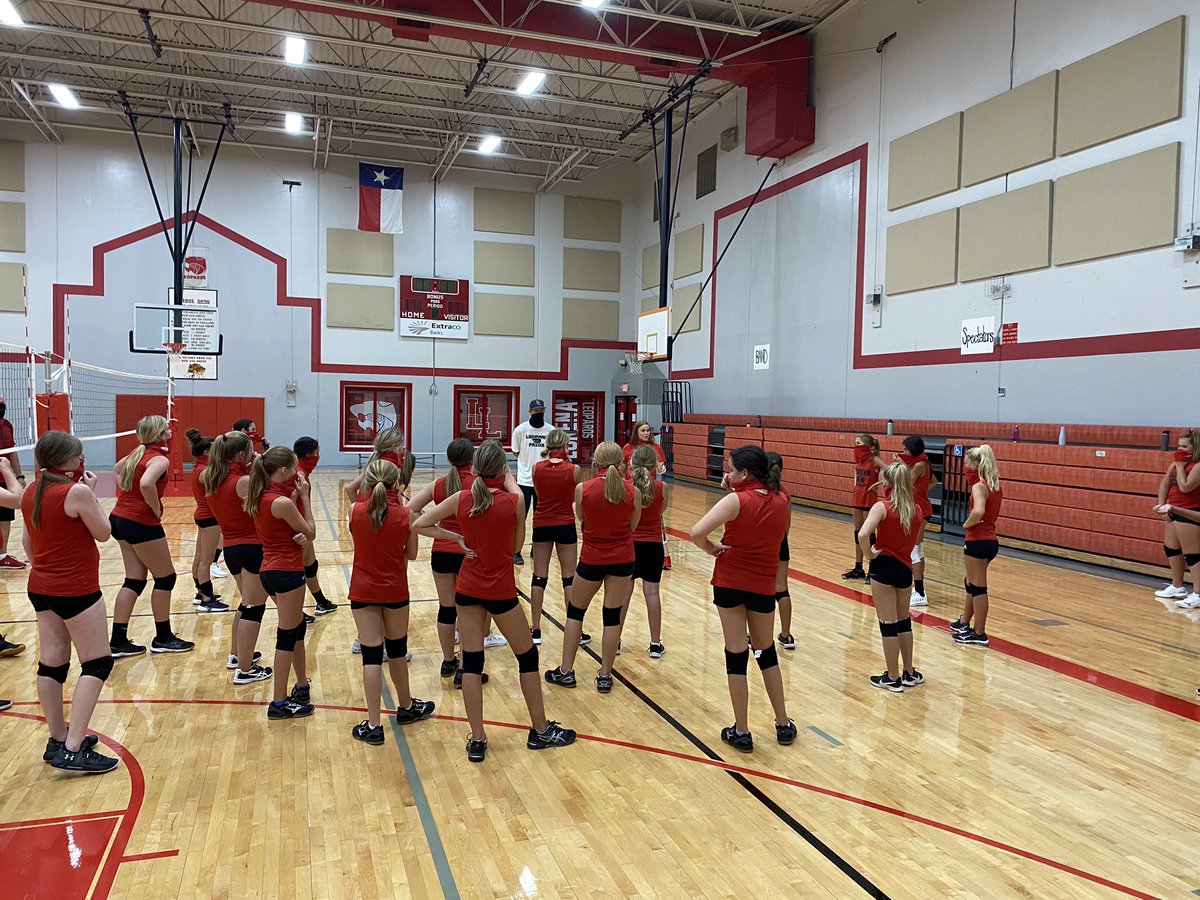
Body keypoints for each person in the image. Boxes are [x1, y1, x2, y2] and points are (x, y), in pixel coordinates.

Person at [414, 441, 576, 762]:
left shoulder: (461, 498)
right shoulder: (514, 502)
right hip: (500, 591)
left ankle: (477, 739)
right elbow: (516, 546)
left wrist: (455, 537)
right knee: (527, 657)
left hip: (468, 589)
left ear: (474, 469)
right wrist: (511, 483)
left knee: (472, 664)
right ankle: (541, 730)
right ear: (503, 469)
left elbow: (418, 523)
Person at [19, 432, 120, 772]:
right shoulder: (76, 492)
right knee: (97, 663)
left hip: (41, 586)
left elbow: (28, 544)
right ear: (69, 459)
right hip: (76, 589)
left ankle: (57, 738)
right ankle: (74, 748)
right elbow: (104, 533)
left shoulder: (32, 491)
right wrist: (91, 492)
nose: (82, 460)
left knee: (52, 664)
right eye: (78, 455)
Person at [690, 446, 796, 752]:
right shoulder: (782, 499)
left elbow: (697, 533)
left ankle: (742, 730)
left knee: (735, 654)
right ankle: (783, 723)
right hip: (763, 585)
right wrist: (736, 489)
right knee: (766, 652)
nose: (728, 473)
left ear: (745, 473)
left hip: (730, 581)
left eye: (732, 469)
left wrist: (711, 548)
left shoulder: (735, 501)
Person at [348, 456, 435, 744]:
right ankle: (406, 706)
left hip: (363, 590)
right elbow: (411, 554)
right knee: (397, 651)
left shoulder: (354, 510)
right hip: (395, 589)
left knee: (371, 656)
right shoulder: (407, 515)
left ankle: (374, 724)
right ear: (397, 484)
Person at [545, 442, 643, 693]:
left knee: (575, 613)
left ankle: (566, 671)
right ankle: (605, 675)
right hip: (623, 559)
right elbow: (632, 527)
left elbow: (582, 518)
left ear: (596, 462)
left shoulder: (583, 489)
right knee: (612, 616)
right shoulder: (633, 492)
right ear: (621, 463)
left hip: (592, 559)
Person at [108, 415, 193, 657]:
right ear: (158, 434)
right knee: (165, 578)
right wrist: (155, 507)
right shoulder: (159, 459)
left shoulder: (137, 453)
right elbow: (146, 483)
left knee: (134, 580)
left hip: (119, 518)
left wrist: (128, 494)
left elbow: (116, 470)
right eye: (166, 428)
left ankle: (118, 640)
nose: (170, 430)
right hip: (140, 521)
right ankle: (163, 637)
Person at [246, 447, 317, 719]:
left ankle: (301, 685)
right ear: (284, 470)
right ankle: (278, 701)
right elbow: (311, 532)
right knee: (287, 635)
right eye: (294, 467)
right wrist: (305, 497)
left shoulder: (261, 495)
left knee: (297, 627)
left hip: (269, 571)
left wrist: (295, 498)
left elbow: (284, 525)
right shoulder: (282, 503)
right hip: (287, 572)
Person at [202, 431, 271, 684]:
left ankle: (237, 654)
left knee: (246, 603)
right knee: (254, 607)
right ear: (242, 454)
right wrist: (260, 467)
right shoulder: (242, 482)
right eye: (251, 450)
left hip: (232, 549)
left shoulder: (214, 479)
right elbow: (269, 501)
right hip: (252, 547)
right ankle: (245, 669)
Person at [858, 461, 925, 692]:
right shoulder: (916, 510)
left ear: (889, 483)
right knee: (903, 621)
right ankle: (909, 672)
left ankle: (893, 677)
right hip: (905, 567)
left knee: (888, 624)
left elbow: (863, 534)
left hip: (884, 565)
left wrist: (869, 555)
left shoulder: (882, 507)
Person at [529, 428, 584, 645]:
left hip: (542, 522)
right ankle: (575, 630)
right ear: (565, 445)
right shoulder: (574, 469)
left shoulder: (536, 468)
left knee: (539, 577)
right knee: (569, 578)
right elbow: (573, 497)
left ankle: (535, 629)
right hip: (565, 523)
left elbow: (539, 493)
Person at [950, 445, 1003, 646]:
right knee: (971, 582)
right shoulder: (994, 485)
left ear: (974, 464)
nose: (964, 467)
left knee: (979, 588)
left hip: (978, 540)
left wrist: (967, 523)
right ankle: (965, 622)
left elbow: (979, 511)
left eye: (966, 463)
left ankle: (979, 633)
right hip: (990, 540)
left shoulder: (979, 486)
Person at [1153, 429, 1200, 607]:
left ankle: (1198, 593)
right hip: (1173, 509)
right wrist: (1161, 505)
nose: (1180, 449)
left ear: (1196, 447)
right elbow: (1165, 483)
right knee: (1171, 549)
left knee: (1193, 555)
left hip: (1190, 511)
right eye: (1178, 446)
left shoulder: (1197, 465)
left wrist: (1180, 467)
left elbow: (1186, 487)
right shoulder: (1176, 463)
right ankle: (1177, 586)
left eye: (1184, 446)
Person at [185, 430, 229, 613]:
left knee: (200, 557)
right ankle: (207, 599)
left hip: (203, 515)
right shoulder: (205, 472)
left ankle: (200, 593)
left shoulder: (200, 468)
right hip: (210, 517)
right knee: (206, 560)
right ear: (206, 452)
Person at [630, 445, 666, 657]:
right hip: (653, 545)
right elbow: (661, 510)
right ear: (654, 465)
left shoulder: (626, 486)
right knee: (652, 593)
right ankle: (654, 644)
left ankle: (616, 641)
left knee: (623, 594)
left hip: (630, 544)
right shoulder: (662, 487)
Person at [294, 436, 336, 616]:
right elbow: (291, 500)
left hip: (303, 525)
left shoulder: (301, 471)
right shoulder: (299, 474)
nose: (319, 456)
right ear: (309, 454)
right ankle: (295, 613)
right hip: (298, 527)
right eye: (317, 452)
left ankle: (321, 602)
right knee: (297, 570)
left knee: (310, 565)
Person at [622, 420, 672, 570]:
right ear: (636, 432)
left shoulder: (656, 447)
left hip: (650, 487)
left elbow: (661, 466)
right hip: (633, 485)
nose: (646, 433)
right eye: (643, 430)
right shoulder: (628, 447)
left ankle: (665, 556)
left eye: (648, 430)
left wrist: (661, 468)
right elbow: (623, 467)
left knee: (657, 520)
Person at [510, 399, 553, 565]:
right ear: (530, 412)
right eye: (536, 411)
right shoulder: (520, 430)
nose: (539, 413)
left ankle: (537, 548)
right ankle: (516, 551)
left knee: (540, 519)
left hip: (544, 482)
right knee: (520, 518)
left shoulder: (551, 430)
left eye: (541, 410)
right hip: (524, 481)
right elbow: (515, 451)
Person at [899, 436, 937, 607]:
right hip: (919, 509)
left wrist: (901, 466)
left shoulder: (920, 465)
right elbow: (934, 481)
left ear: (913, 450)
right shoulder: (921, 464)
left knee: (913, 550)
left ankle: (920, 593)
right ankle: (919, 590)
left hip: (920, 511)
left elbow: (906, 483)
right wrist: (920, 491)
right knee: (918, 550)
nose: (903, 453)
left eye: (905, 450)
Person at [843, 434, 883, 583]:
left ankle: (873, 568)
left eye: (858, 443)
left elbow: (890, 471)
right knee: (857, 533)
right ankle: (858, 568)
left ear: (867, 446)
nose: (856, 446)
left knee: (869, 535)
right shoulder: (859, 462)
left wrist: (880, 482)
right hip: (857, 499)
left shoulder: (874, 460)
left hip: (868, 501)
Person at [765, 452, 795, 650]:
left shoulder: (759, 490)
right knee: (782, 589)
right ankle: (786, 635)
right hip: (780, 541)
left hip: (761, 543)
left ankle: (760, 636)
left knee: (761, 590)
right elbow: (787, 524)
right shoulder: (784, 492)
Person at [344, 426, 407, 504]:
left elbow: (349, 488)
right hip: (383, 510)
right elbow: (398, 502)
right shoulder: (391, 467)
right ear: (394, 448)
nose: (403, 449)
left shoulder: (374, 463)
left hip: (366, 509)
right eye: (402, 446)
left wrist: (357, 509)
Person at [0, 391, 26, 569]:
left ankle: (2, 556)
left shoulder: (7, 425)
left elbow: (12, 452)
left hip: (5, 479)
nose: (2, 407)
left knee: (5, 518)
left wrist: (19, 476)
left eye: (3, 404)